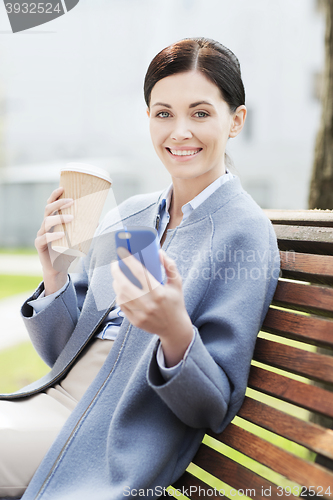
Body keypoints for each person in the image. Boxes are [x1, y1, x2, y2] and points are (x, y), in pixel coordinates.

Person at [0, 37, 280, 500]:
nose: (180, 131)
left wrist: (174, 333)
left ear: (236, 121)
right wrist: (56, 275)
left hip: (113, 435)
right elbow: (63, 355)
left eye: (201, 113)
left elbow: (212, 406)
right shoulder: (132, 214)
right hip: (59, 402)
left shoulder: (243, 234)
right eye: (163, 113)